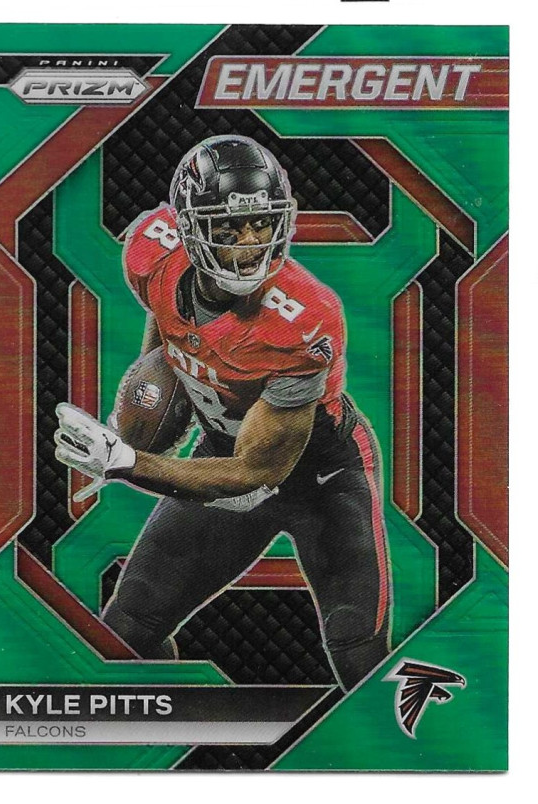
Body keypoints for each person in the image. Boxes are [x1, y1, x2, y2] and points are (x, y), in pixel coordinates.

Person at [54, 135, 391, 690]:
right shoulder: (152, 250)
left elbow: (257, 472)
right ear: (189, 230)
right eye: (230, 227)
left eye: (262, 223)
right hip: (224, 448)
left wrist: (126, 460)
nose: (252, 243)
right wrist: (153, 396)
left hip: (323, 476)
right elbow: (168, 318)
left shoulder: (303, 318)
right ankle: (175, 732)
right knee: (127, 631)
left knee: (358, 651)